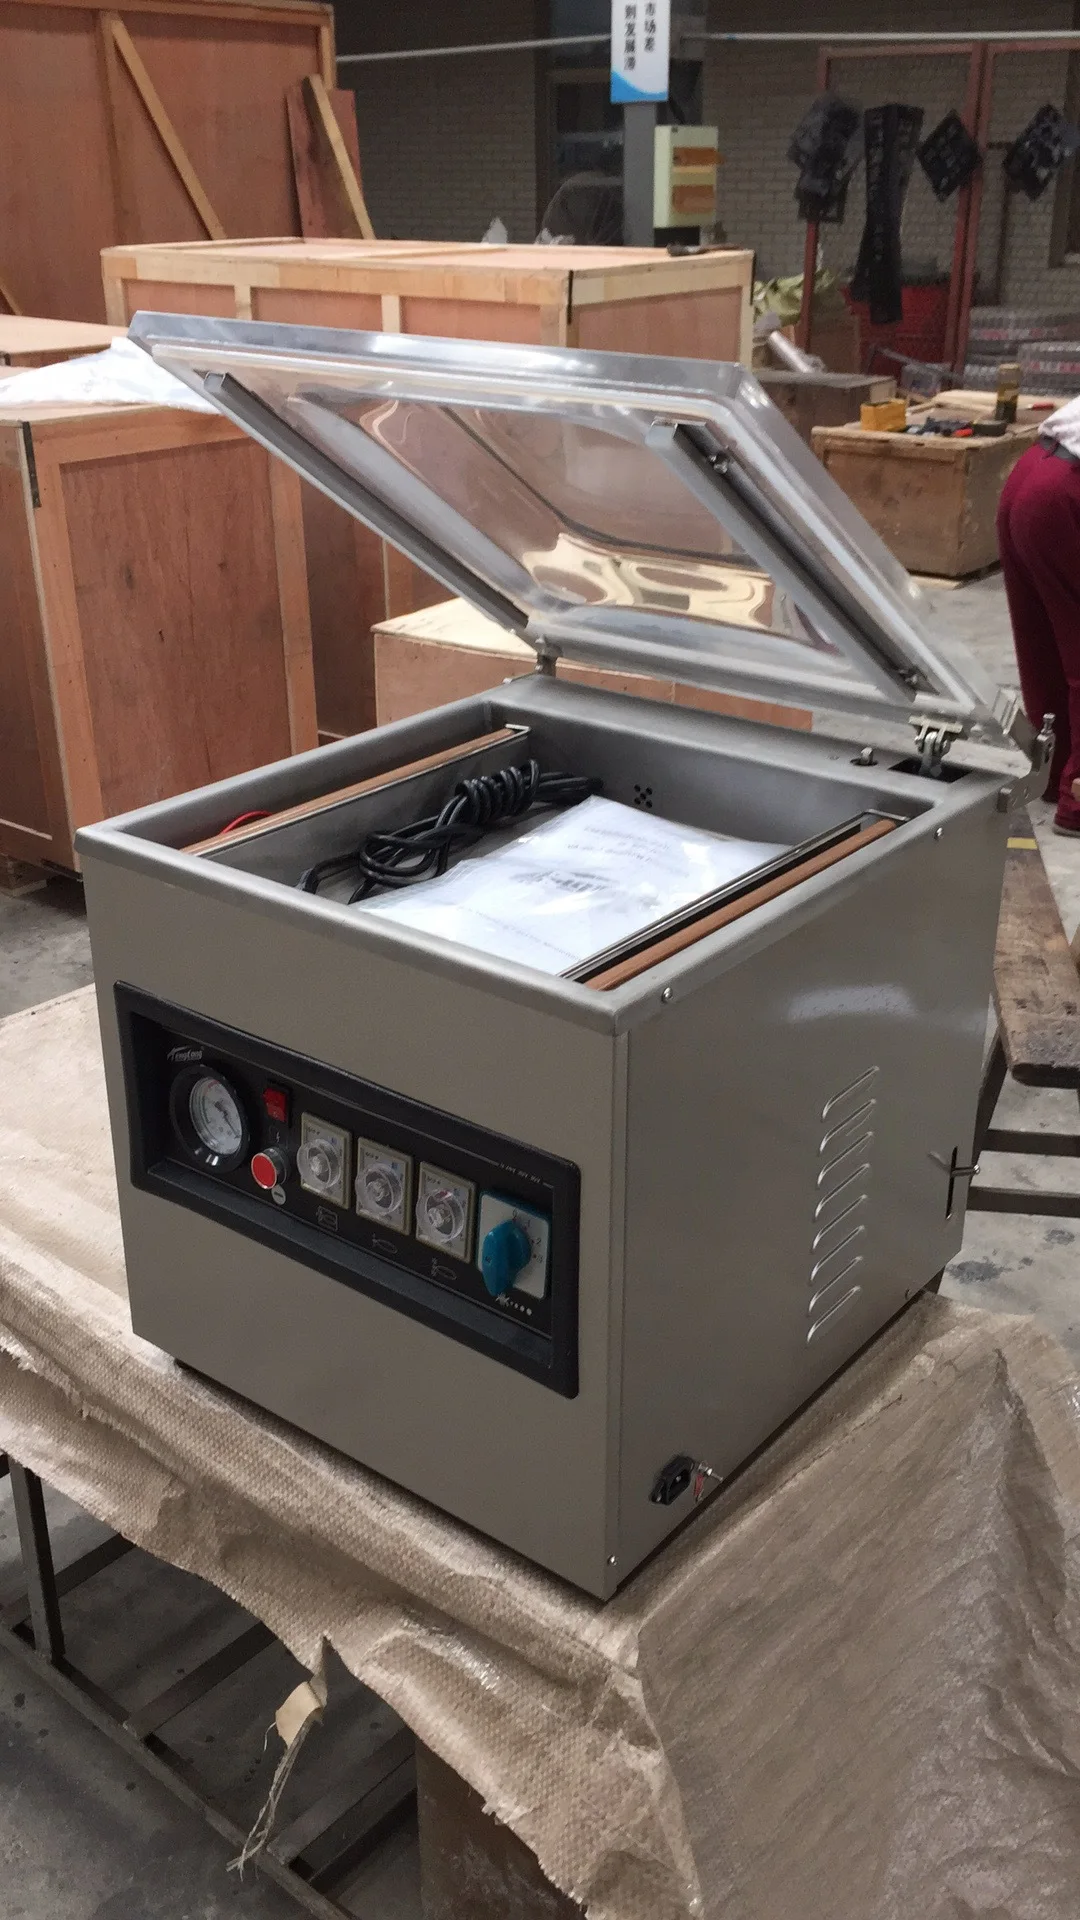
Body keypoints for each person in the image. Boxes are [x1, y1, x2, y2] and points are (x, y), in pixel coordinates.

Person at [997, 398, 1080, 835]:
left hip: (1033, 472)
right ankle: (1077, 801)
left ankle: (1052, 770)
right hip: (1067, 491)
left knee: (1043, 640)